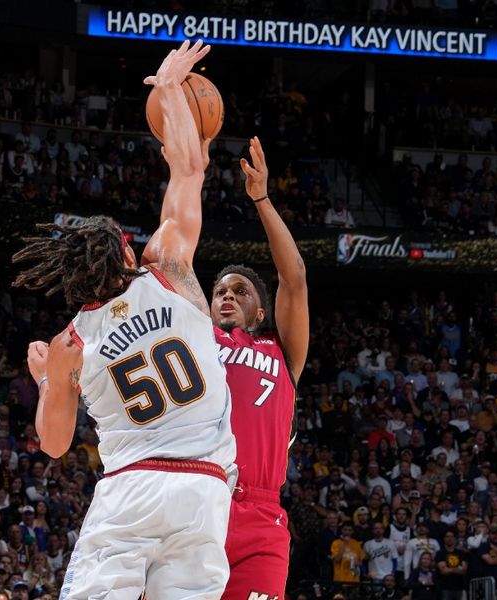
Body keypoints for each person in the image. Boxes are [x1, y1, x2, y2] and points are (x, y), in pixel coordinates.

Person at [19, 41, 236, 600]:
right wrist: (167, 89)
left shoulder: (70, 342)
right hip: (204, 489)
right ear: (124, 250)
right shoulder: (168, 266)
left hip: (130, 489)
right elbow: (190, 166)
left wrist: (47, 380)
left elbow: (55, 443)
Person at [212, 135, 308, 600]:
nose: (228, 295)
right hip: (197, 500)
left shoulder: (281, 351)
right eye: (220, 292)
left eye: (241, 291)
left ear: (261, 312)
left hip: (262, 515)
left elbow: (294, 278)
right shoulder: (195, 339)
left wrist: (262, 199)